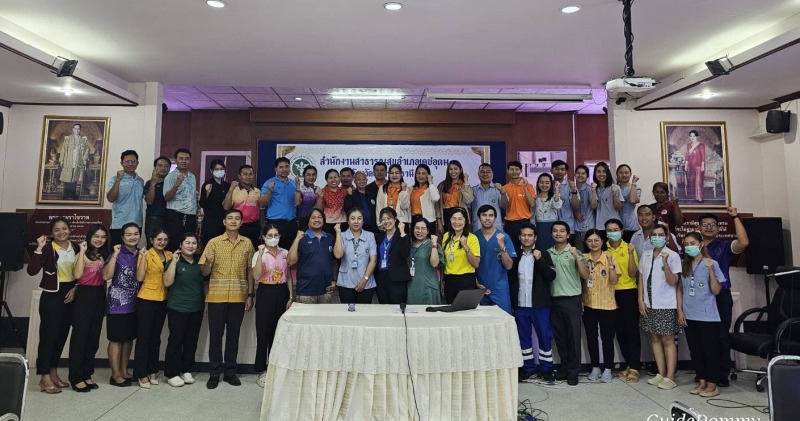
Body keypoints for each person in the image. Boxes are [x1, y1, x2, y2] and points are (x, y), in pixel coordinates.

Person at [200, 209, 255, 389]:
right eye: (230, 218)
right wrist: (207, 263)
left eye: (237, 218)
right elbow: (204, 272)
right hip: (216, 296)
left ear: (241, 222)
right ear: (224, 222)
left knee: (233, 336)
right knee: (216, 336)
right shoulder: (213, 243)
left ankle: (230, 372)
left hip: (239, 296)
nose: (233, 221)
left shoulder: (247, 243)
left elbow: (250, 271)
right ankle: (214, 372)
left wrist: (250, 294)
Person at [27, 217, 79, 394]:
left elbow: (83, 272)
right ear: (51, 232)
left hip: (70, 294)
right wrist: (39, 249)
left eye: (64, 228)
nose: (61, 232)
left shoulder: (77, 247)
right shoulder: (48, 248)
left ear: (70, 230)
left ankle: (53, 372)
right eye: (57, 230)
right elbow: (32, 270)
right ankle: (44, 376)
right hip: (52, 296)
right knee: (49, 336)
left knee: (61, 336)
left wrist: (76, 289)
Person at [698, 208, 748, 387]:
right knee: (703, 336)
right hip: (699, 298)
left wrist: (734, 216)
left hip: (721, 297)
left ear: (718, 229)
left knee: (720, 336)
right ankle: (704, 373)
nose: (709, 228)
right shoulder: (693, 246)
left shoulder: (724, 245)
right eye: (705, 225)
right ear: (699, 227)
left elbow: (743, 243)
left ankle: (721, 373)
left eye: (713, 225)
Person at [678, 231, 725, 397]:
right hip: (689, 313)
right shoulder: (685, 264)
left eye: (692, 243)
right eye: (686, 244)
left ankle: (713, 384)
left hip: (707, 315)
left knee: (709, 351)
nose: (689, 247)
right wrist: (680, 311)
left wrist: (711, 271)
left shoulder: (710, 263)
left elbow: (716, 290)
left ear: (701, 244)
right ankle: (702, 381)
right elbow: (680, 289)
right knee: (695, 351)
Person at [508, 222, 556, 383]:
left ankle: (546, 368)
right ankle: (528, 368)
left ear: (535, 237)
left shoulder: (543, 253)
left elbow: (551, 276)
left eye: (530, 235)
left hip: (540, 304)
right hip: (521, 304)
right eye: (523, 235)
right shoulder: (516, 255)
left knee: (544, 336)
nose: (526, 238)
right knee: (524, 338)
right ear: (519, 237)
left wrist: (540, 260)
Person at [638, 224, 683, 390]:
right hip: (649, 303)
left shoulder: (672, 256)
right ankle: (661, 373)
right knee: (654, 338)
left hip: (666, 304)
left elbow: (673, 281)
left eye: (661, 234)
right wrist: (640, 300)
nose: (657, 237)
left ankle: (670, 376)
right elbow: (641, 278)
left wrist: (665, 263)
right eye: (654, 235)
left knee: (667, 339)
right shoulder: (646, 254)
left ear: (667, 237)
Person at [547, 221, 589, 386]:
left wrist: (577, 257)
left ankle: (573, 372)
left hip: (572, 300)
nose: (558, 234)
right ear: (552, 234)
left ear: (568, 234)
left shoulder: (575, 251)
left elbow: (585, 275)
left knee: (573, 338)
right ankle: (564, 370)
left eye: (562, 231)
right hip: (554, 300)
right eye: (555, 231)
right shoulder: (548, 253)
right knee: (560, 338)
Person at [69, 223, 109, 392]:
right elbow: (77, 275)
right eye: (96, 236)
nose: (99, 240)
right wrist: (82, 251)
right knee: (80, 338)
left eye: (102, 237)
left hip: (99, 296)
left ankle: (87, 373)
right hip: (84, 297)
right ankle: (76, 377)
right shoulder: (82, 253)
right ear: (89, 237)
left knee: (93, 338)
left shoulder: (103, 255)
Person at [252, 224, 294, 387]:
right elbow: (256, 275)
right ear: (263, 237)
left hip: (282, 292)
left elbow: (288, 275)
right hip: (265, 292)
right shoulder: (258, 254)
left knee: (279, 333)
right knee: (263, 331)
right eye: (269, 235)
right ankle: (262, 370)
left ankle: (276, 367)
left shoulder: (285, 253)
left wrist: (291, 296)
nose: (273, 238)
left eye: (276, 235)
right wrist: (262, 252)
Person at [163, 233, 204, 388]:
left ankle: (187, 370)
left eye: (194, 243)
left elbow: (204, 284)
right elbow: (167, 282)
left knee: (191, 341)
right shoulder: (173, 261)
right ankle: (172, 373)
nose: (191, 246)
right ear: (180, 245)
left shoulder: (200, 263)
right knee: (176, 341)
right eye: (187, 242)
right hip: (177, 308)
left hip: (196, 308)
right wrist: (173, 262)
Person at [103, 223, 142, 387]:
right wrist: (115, 255)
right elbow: (106, 276)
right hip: (117, 304)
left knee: (128, 339)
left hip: (135, 304)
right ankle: (115, 374)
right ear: (122, 237)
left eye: (136, 233)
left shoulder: (141, 254)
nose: (133, 237)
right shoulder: (116, 253)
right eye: (128, 234)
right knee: (116, 339)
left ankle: (124, 370)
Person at [133, 228, 172, 389]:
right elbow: (140, 277)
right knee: (144, 338)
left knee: (156, 337)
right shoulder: (146, 254)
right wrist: (142, 258)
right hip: (146, 299)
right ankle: (141, 373)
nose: (162, 242)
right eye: (158, 239)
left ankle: (152, 370)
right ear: (151, 240)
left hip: (163, 299)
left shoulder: (170, 255)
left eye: (164, 239)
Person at [604, 218, 642, 383]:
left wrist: (630, 254)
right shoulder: (602, 249)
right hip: (609, 294)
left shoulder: (629, 247)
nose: (613, 232)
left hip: (627, 292)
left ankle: (635, 367)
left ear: (621, 231)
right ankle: (627, 364)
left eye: (615, 229)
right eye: (609, 230)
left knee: (631, 331)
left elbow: (633, 273)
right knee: (619, 331)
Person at [581, 229, 620, 384]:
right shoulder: (583, 258)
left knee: (607, 339)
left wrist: (610, 266)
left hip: (607, 305)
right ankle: (595, 367)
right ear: (586, 243)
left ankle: (608, 368)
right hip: (589, 304)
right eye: (590, 240)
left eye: (596, 240)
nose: (593, 243)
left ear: (602, 242)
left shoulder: (610, 257)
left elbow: (614, 281)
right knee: (591, 338)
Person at [288, 208, 339, 303]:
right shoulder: (302, 239)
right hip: (306, 293)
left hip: (326, 291)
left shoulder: (330, 238)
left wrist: (334, 279)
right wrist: (297, 239)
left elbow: (334, 261)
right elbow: (290, 261)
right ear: (308, 221)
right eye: (313, 217)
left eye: (320, 217)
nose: (317, 220)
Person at [474, 204, 516, 314]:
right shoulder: (474, 237)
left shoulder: (504, 237)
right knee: (483, 326)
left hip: (500, 289)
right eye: (484, 215)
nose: (487, 218)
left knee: (504, 322)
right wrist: (476, 283)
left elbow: (509, 266)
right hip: (480, 289)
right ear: (479, 217)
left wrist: (502, 247)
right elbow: (469, 264)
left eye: (491, 215)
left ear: (495, 218)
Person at [334, 208, 378, 304]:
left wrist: (365, 280)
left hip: (366, 283)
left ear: (363, 221)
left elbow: (373, 260)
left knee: (364, 315)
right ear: (348, 221)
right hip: (346, 282)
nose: (356, 221)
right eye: (352, 218)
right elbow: (338, 255)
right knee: (347, 316)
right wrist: (338, 233)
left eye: (359, 218)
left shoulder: (370, 236)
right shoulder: (342, 235)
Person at [441, 207, 483, 304]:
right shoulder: (446, 236)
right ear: (450, 220)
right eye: (454, 218)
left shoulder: (472, 238)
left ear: (465, 221)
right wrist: (442, 282)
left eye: (460, 219)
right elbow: (444, 262)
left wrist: (465, 247)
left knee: (466, 314)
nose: (457, 222)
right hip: (449, 280)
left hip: (466, 280)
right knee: (451, 313)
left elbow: (476, 264)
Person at [106, 150, 145, 247]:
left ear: (137, 163)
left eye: (133, 161)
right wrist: (119, 180)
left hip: (137, 223)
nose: (130, 164)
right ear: (121, 163)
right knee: (117, 254)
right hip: (120, 223)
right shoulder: (115, 179)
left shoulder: (140, 181)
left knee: (132, 254)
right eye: (127, 161)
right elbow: (111, 199)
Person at [373, 207, 411, 304]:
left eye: (389, 218)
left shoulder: (403, 236)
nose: (386, 221)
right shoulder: (378, 236)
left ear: (395, 219)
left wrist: (402, 232)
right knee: (383, 309)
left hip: (397, 279)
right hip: (381, 278)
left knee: (396, 309)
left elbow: (405, 253)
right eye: (383, 219)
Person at [163, 148, 198, 251]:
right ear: (176, 160)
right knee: (175, 245)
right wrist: (176, 185)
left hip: (190, 216)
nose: (184, 161)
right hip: (175, 216)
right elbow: (167, 198)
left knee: (189, 245)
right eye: (181, 158)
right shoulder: (170, 177)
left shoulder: (192, 176)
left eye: (187, 159)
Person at [261, 157, 298, 250]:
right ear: (275, 169)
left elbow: (297, 203)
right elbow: (262, 204)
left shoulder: (293, 184)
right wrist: (269, 191)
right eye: (281, 167)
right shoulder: (269, 183)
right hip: (275, 224)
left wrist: (298, 188)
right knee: (274, 252)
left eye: (286, 166)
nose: (284, 169)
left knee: (290, 253)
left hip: (291, 224)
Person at [223, 164, 262, 247]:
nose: (248, 176)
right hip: (238, 227)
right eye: (245, 174)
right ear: (239, 176)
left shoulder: (257, 191)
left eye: (250, 174)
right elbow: (226, 207)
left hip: (254, 227)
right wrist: (230, 189)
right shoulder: (234, 190)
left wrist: (262, 229)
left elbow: (261, 211)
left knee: (253, 252)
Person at [407, 217, 443, 305]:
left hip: (428, 287)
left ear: (427, 231)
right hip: (412, 287)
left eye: (423, 229)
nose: (419, 231)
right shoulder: (409, 245)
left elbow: (435, 264)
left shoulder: (433, 244)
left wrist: (434, 245)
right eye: (417, 228)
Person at [503, 161, 536, 255]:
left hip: (524, 222)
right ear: (507, 171)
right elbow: (503, 206)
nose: (514, 171)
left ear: (521, 170)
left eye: (517, 169)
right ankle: (513, 270)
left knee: (526, 250)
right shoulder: (505, 188)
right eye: (512, 169)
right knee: (511, 250)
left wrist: (525, 188)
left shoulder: (528, 186)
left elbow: (532, 204)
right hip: (510, 224)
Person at [437, 160, 473, 234]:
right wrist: (439, 222)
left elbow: (469, 200)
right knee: (447, 241)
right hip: (446, 216)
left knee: (461, 240)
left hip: (460, 215)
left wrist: (466, 182)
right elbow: (437, 206)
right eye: (450, 169)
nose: (453, 171)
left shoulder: (464, 185)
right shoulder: (442, 185)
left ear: (461, 170)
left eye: (456, 169)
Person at [199, 159, 230, 244]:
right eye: (216, 169)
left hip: (224, 222)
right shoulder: (207, 184)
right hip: (210, 222)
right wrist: (207, 193)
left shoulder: (227, 186)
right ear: (211, 170)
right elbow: (202, 203)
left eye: (221, 169)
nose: (219, 171)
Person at [59, 123, 90, 199]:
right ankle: (66, 194)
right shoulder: (68, 139)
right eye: (75, 128)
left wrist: (84, 158)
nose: (77, 130)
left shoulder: (83, 140)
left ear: (80, 130)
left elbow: (87, 150)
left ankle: (73, 194)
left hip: (77, 162)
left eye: (78, 129)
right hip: (68, 161)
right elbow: (63, 150)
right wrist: (61, 160)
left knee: (74, 178)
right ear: (73, 129)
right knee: (67, 178)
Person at [144, 156, 171, 241]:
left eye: (166, 166)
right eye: (160, 165)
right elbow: (149, 201)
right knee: (152, 246)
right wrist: (153, 184)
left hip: (170, 220)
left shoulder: (172, 183)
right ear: (155, 167)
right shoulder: (149, 183)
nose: (163, 168)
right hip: (154, 220)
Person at [471, 163, 504, 232]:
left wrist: (503, 192)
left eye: (488, 172)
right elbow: (468, 210)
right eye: (482, 172)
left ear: (492, 174)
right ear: (478, 174)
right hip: (477, 228)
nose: (485, 174)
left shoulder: (498, 189)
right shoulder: (472, 190)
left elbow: (505, 206)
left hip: (496, 228)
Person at [590, 161, 622, 233]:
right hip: (599, 226)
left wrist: (615, 195)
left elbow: (618, 208)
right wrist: (593, 191)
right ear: (595, 173)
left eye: (604, 171)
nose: (601, 174)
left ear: (607, 173)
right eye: (598, 171)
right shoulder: (593, 189)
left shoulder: (615, 187)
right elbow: (593, 206)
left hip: (614, 226)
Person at [534, 173, 563, 251]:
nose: (544, 185)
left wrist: (557, 189)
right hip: (539, 228)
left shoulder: (554, 197)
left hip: (552, 227)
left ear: (551, 184)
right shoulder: (534, 198)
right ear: (538, 183)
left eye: (547, 182)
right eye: (541, 182)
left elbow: (557, 205)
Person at [410, 164, 440, 235]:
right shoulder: (411, 189)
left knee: (429, 244)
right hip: (414, 220)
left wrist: (430, 182)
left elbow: (436, 198)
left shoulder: (431, 188)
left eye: (423, 173)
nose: (420, 176)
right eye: (418, 173)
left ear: (428, 175)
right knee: (415, 244)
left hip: (428, 221)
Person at [551, 160, 578, 240]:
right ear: (551, 170)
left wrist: (573, 191)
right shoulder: (547, 185)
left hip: (567, 227)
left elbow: (576, 206)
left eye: (562, 169)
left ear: (566, 172)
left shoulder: (570, 186)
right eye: (557, 168)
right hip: (551, 226)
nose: (560, 171)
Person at [317, 168, 347, 234]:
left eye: (335, 177)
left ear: (339, 178)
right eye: (330, 178)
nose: (333, 180)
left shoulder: (344, 191)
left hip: (343, 223)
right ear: (327, 180)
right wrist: (320, 198)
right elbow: (319, 210)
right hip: (328, 224)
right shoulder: (322, 192)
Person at [615, 164, 641, 242]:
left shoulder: (636, 188)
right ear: (617, 174)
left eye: (626, 173)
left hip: (632, 227)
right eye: (621, 173)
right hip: (616, 227)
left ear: (630, 174)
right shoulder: (613, 188)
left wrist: (633, 183)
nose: (624, 175)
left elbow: (632, 200)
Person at [573, 164, 595, 251]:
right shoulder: (572, 189)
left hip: (588, 227)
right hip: (576, 228)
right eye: (578, 173)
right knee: (579, 255)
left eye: (583, 173)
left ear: (587, 176)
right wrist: (575, 214)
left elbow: (594, 206)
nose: (580, 175)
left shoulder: (590, 189)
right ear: (575, 175)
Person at [295, 165, 320, 231]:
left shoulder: (318, 189)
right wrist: (298, 187)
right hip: (302, 219)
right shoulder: (300, 188)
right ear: (304, 176)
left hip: (315, 219)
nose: (311, 177)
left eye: (313, 175)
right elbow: (297, 203)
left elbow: (319, 207)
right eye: (308, 175)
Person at [684, 130, 706, 202]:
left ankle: (699, 197)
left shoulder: (701, 145)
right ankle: (693, 196)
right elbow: (687, 155)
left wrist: (703, 166)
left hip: (698, 165)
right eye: (691, 136)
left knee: (698, 181)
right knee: (691, 180)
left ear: (697, 137)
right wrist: (686, 165)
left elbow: (703, 156)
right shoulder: (688, 145)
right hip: (691, 165)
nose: (692, 137)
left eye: (694, 136)